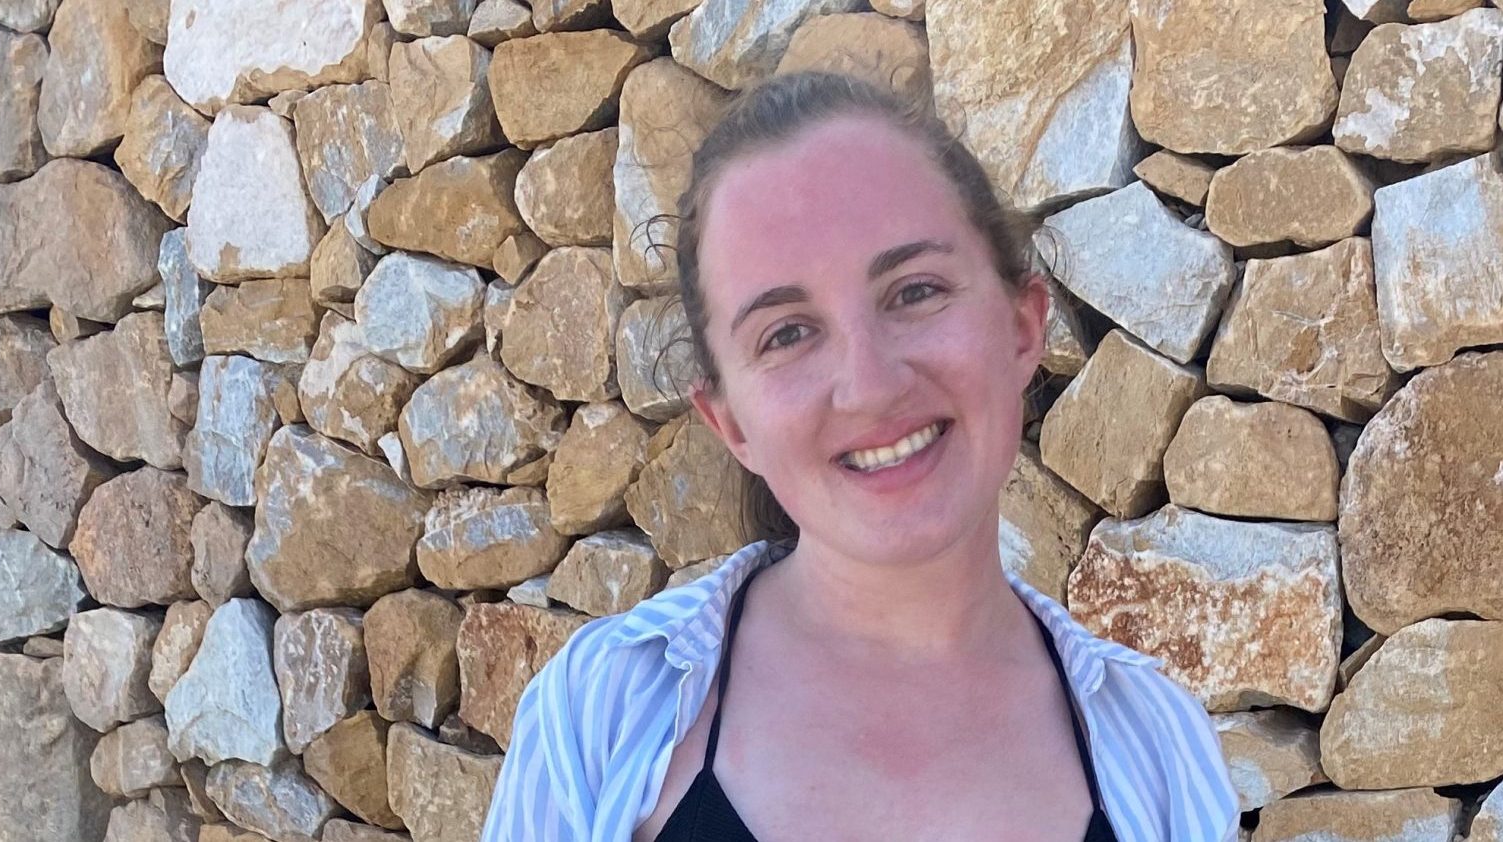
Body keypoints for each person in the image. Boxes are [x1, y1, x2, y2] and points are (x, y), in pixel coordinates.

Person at [480, 71, 1239, 842]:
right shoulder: (603, 714)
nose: (869, 387)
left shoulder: (1158, 749)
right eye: (786, 333)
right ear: (730, 422)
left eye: (915, 291)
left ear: (1020, 328)